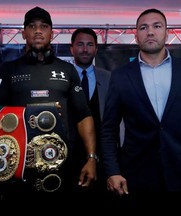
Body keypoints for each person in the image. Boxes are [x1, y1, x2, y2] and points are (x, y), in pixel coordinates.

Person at [0, 6, 97, 213]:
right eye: (32, 26)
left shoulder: (67, 70)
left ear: (51, 33)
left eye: (44, 26)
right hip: (17, 171)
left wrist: (91, 158)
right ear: (23, 33)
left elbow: (84, 116)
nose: (38, 30)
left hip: (61, 170)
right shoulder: (7, 70)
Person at [100, 8, 181, 213]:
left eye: (157, 26)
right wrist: (112, 171)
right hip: (136, 179)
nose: (150, 32)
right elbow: (108, 130)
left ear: (167, 33)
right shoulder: (120, 76)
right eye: (143, 27)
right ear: (136, 35)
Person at [69, 27, 113, 209]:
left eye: (90, 45)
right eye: (80, 44)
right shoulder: (62, 77)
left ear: (96, 49)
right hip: (70, 155)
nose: (85, 49)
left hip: (103, 156)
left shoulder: (109, 78)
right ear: (71, 48)